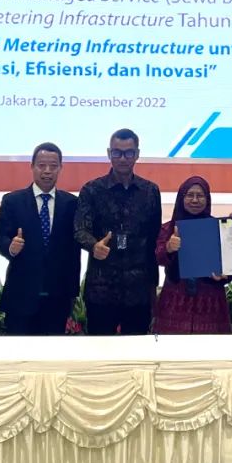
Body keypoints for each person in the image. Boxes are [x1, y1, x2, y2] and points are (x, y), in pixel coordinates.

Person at [74, 128, 162, 334]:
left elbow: (154, 239)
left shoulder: (150, 191)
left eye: (128, 153)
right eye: (117, 152)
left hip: (138, 290)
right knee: (99, 350)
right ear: (109, 153)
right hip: (102, 288)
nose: (122, 158)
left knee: (137, 350)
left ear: (137, 154)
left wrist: (153, 287)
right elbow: (79, 229)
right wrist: (93, 246)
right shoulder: (92, 190)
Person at [0, 142, 81, 335]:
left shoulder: (72, 203)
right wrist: (11, 248)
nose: (47, 171)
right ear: (32, 166)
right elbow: (1, 240)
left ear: (60, 168)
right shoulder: (12, 201)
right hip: (21, 296)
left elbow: (74, 252)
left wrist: (72, 292)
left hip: (58, 298)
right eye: (42, 165)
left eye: (53, 166)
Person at [153, 176, 232, 334]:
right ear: (181, 198)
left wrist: (226, 275)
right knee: (172, 348)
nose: (195, 200)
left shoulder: (219, 228)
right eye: (190, 195)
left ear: (207, 199)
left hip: (211, 304)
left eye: (200, 195)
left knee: (210, 348)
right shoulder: (168, 229)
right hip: (174, 303)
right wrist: (168, 248)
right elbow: (156, 258)